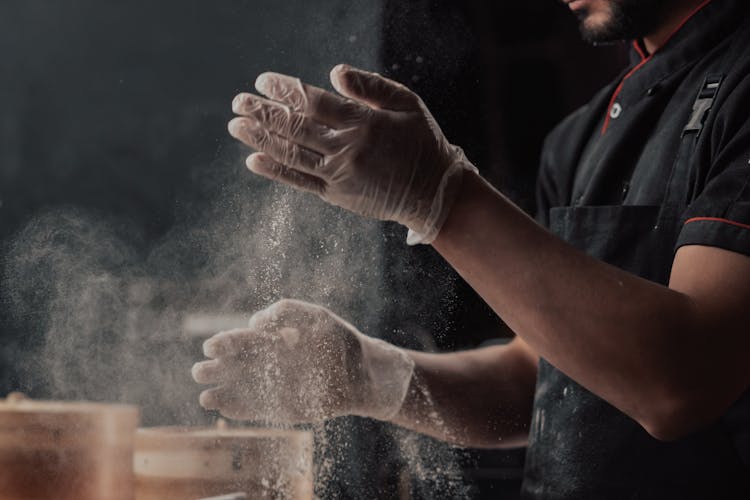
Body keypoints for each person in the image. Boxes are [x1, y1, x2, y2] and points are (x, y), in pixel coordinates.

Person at [192, 0, 750, 497]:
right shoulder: (581, 138)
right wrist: (372, 376)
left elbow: (684, 382)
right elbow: (538, 377)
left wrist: (441, 198)